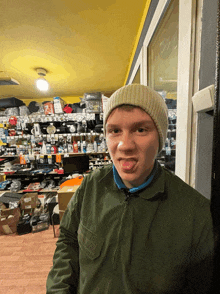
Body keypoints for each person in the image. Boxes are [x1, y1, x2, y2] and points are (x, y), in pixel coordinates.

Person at [46, 84, 214, 294]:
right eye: (115, 131)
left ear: (160, 137)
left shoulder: (196, 214)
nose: (124, 145)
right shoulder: (92, 185)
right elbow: (68, 241)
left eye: (141, 129)